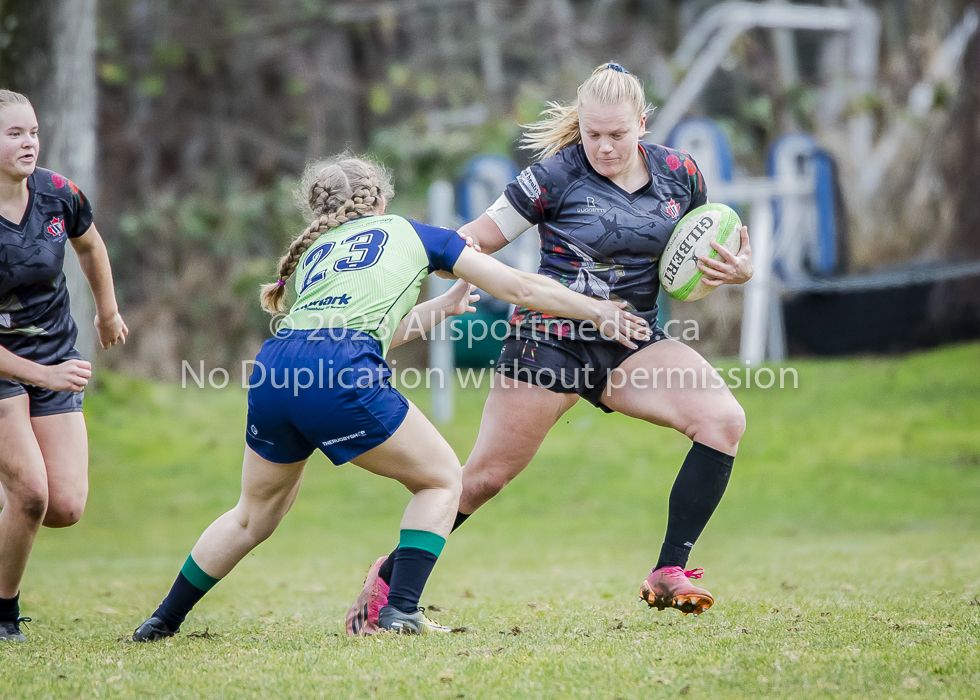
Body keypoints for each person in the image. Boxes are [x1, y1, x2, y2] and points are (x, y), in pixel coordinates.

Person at [131, 154, 648, 641]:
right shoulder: (408, 232)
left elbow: (372, 331)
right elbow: (520, 288)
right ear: (379, 199)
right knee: (444, 480)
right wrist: (596, 310)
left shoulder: (314, 254)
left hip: (277, 367)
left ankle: (162, 621)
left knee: (252, 515)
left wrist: (443, 307)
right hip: (338, 371)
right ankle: (400, 610)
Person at [348, 62, 753, 633]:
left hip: (630, 339)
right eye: (593, 135)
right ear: (580, 127)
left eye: (618, 135)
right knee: (483, 478)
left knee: (723, 421)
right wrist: (424, 282)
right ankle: (389, 584)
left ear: (642, 123)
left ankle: (668, 570)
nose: (605, 148)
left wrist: (735, 271)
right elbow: (472, 240)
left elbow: (696, 261)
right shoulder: (553, 177)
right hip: (549, 340)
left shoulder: (680, 174)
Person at [0, 90, 128, 642]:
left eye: (32, 132)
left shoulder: (58, 193)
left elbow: (91, 247)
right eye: (14, 134)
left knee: (65, 505)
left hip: (53, 353)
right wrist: (43, 376)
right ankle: (4, 615)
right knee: (30, 494)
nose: (29, 143)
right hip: (8, 369)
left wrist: (107, 312)